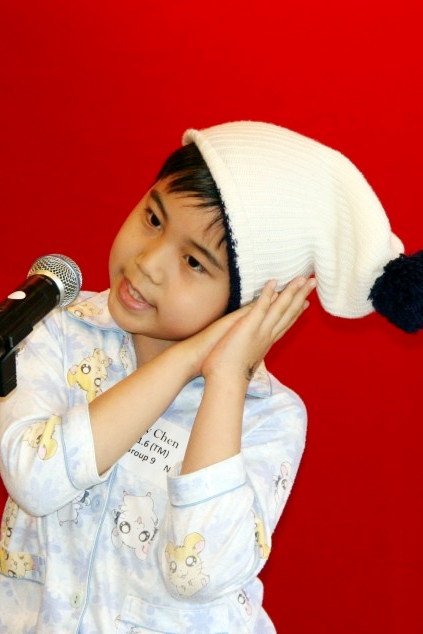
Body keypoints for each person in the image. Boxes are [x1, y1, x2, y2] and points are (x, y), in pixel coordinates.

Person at [0, 121, 421, 633]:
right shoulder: (59, 329)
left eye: (194, 262)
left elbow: (196, 573)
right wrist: (185, 358)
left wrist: (223, 375)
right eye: (154, 218)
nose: (148, 263)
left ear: (249, 306)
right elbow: (36, 479)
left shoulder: (266, 415)